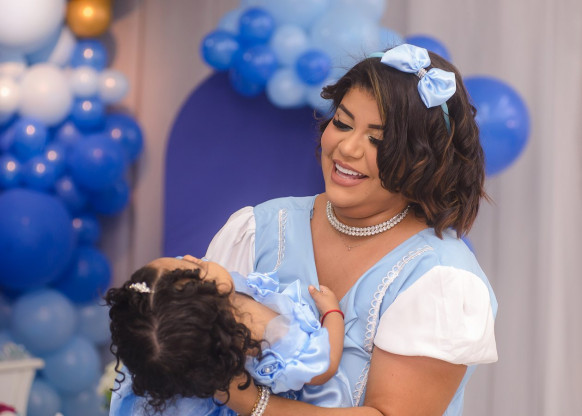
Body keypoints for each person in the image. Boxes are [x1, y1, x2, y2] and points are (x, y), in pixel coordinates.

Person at [204, 43, 498, 415]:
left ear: (424, 160)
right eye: (342, 123)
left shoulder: (441, 278)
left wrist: (249, 401)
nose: (347, 148)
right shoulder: (255, 229)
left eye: (378, 139)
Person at [106, 255, 351, 416]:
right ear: (220, 291)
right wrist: (333, 314)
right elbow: (325, 368)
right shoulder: (275, 334)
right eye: (198, 267)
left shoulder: (168, 332)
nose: (190, 257)